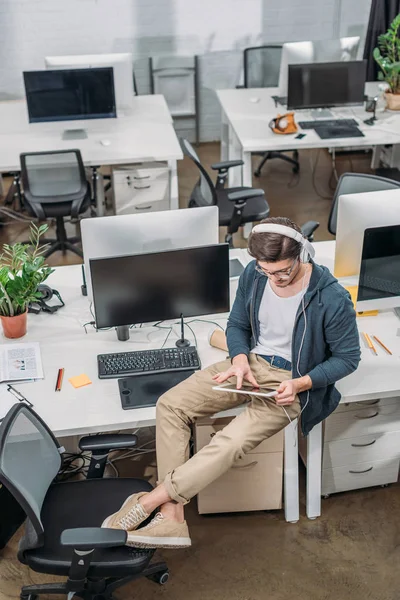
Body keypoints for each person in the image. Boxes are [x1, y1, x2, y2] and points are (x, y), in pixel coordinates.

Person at [102, 216, 361, 548]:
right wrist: (239, 358)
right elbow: (237, 324)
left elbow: (347, 358)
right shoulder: (255, 276)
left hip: (291, 381)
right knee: (171, 405)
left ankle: (152, 503)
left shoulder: (331, 297)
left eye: (283, 271)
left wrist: (302, 384)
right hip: (249, 364)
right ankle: (173, 518)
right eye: (268, 271)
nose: (276, 279)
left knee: (228, 441)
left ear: (302, 254)